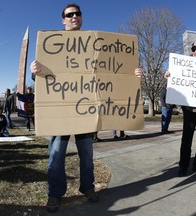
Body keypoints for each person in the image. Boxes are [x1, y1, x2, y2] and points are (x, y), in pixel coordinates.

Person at [30, 3, 142, 213]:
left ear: (81, 18)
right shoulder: (51, 45)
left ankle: (87, 188)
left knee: (87, 155)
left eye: (77, 14)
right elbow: (43, 77)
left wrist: (132, 73)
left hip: (84, 112)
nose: (74, 17)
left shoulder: (94, 45)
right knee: (56, 156)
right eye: (69, 14)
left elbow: (112, 70)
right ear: (63, 20)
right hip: (60, 112)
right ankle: (55, 194)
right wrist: (34, 70)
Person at [165, 41, 196, 177]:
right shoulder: (184, 66)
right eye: (194, 49)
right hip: (190, 111)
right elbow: (175, 78)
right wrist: (169, 75)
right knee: (186, 140)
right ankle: (183, 166)